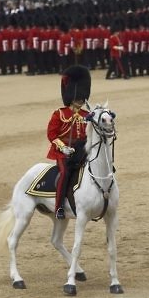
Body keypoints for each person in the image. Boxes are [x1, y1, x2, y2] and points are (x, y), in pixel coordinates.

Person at [46, 65, 91, 219]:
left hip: (81, 153)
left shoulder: (87, 114)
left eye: (82, 98)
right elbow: (51, 134)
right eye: (78, 98)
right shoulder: (60, 113)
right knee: (65, 173)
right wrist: (63, 148)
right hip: (63, 153)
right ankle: (59, 207)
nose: (81, 101)